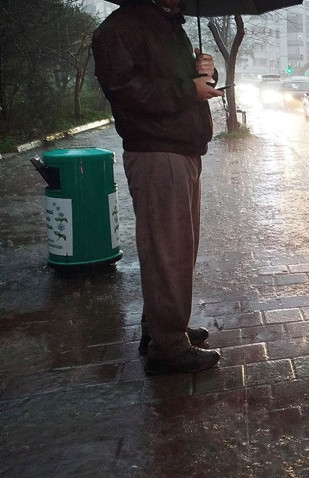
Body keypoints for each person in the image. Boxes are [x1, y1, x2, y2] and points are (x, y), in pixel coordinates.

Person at [92, 0, 223, 375]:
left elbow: (185, 86)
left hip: (182, 149)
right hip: (156, 151)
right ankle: (168, 347)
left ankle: (163, 328)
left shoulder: (169, 25)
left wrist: (203, 74)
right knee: (168, 250)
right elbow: (128, 93)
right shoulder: (122, 28)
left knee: (178, 248)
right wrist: (188, 89)